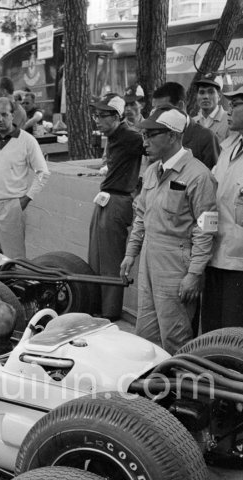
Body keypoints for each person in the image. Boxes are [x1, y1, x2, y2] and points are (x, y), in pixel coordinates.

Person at [120, 105, 217, 355]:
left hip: (176, 264)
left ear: (173, 136)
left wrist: (194, 274)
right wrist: (131, 253)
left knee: (176, 337)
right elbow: (141, 215)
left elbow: (205, 230)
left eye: (152, 135)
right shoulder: (153, 171)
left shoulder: (198, 175)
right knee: (146, 335)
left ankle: (183, 390)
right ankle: (153, 389)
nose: (145, 141)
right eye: (144, 134)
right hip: (149, 261)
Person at [88, 93, 144, 320]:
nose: (97, 121)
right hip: (106, 197)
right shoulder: (113, 136)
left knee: (111, 261)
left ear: (117, 116)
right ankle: (98, 306)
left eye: (102, 116)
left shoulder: (130, 136)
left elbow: (151, 150)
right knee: (97, 258)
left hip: (119, 199)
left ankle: (109, 312)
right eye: (96, 115)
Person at [0, 97, 50, 260]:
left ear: (12, 115)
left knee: (14, 258)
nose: (0, 119)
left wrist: (26, 199)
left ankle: (14, 285)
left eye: (4, 114)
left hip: (11, 205)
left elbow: (43, 172)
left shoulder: (27, 141)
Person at [201, 80, 243, 332]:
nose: (229, 110)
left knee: (234, 336)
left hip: (241, 261)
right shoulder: (229, 146)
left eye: (237, 104)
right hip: (216, 253)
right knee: (212, 331)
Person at [152, 81, 220, 169]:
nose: (157, 115)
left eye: (162, 109)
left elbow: (212, 177)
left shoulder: (206, 137)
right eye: (154, 110)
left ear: (180, 106)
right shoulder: (157, 135)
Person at [192, 73, 230, 144]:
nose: (205, 96)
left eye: (211, 92)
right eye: (202, 92)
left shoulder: (230, 121)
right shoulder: (193, 122)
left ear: (219, 96)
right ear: (196, 96)